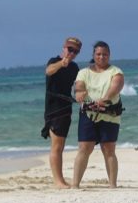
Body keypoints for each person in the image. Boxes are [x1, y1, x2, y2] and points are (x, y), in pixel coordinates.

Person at [72, 41, 125, 188]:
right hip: (88, 114)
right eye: (99, 54)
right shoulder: (84, 72)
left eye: (105, 54)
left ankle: (113, 185)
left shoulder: (116, 71)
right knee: (84, 148)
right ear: (94, 55)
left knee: (109, 149)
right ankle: (75, 184)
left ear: (109, 55)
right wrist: (80, 93)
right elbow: (79, 86)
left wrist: (105, 99)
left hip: (109, 115)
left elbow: (116, 87)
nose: (102, 57)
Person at [42, 36, 82, 188]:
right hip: (53, 108)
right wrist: (61, 63)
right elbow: (49, 71)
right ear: (64, 48)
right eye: (70, 49)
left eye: (75, 52)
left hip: (66, 107)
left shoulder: (74, 67)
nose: (72, 53)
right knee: (57, 146)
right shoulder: (54, 61)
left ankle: (60, 180)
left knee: (61, 145)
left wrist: (80, 93)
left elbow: (78, 84)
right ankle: (58, 181)